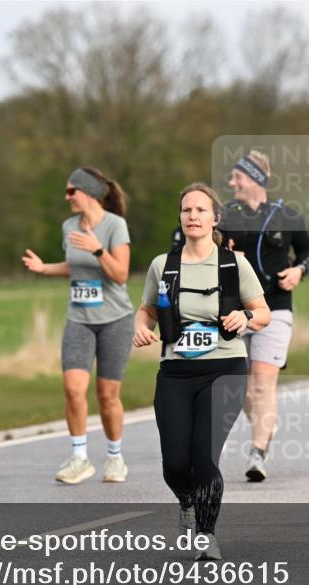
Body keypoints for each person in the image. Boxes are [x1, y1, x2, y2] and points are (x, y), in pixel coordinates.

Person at [133, 183, 270, 560]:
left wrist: (244, 316)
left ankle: (206, 535)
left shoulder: (232, 264)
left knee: (204, 455)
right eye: (186, 211)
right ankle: (187, 501)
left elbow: (263, 313)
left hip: (225, 368)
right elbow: (145, 309)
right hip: (175, 371)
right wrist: (141, 327)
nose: (192, 216)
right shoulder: (164, 265)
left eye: (200, 210)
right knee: (176, 464)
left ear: (215, 218)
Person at [23, 167, 134, 484]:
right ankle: (79, 458)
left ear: (90, 192)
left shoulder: (115, 225)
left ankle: (115, 458)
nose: (66, 197)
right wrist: (44, 268)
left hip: (115, 319)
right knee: (73, 390)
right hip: (79, 319)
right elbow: (75, 267)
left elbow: (121, 275)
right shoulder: (69, 226)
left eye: (72, 191)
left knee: (107, 396)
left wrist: (97, 249)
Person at [217, 150, 309, 483]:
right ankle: (266, 420)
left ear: (255, 178)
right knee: (240, 384)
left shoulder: (286, 215)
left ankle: (257, 452)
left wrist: (298, 271)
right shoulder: (226, 215)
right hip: (236, 310)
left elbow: (307, 251)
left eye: (237, 177)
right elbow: (203, 249)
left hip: (276, 308)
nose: (231, 183)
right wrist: (225, 256)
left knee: (263, 379)